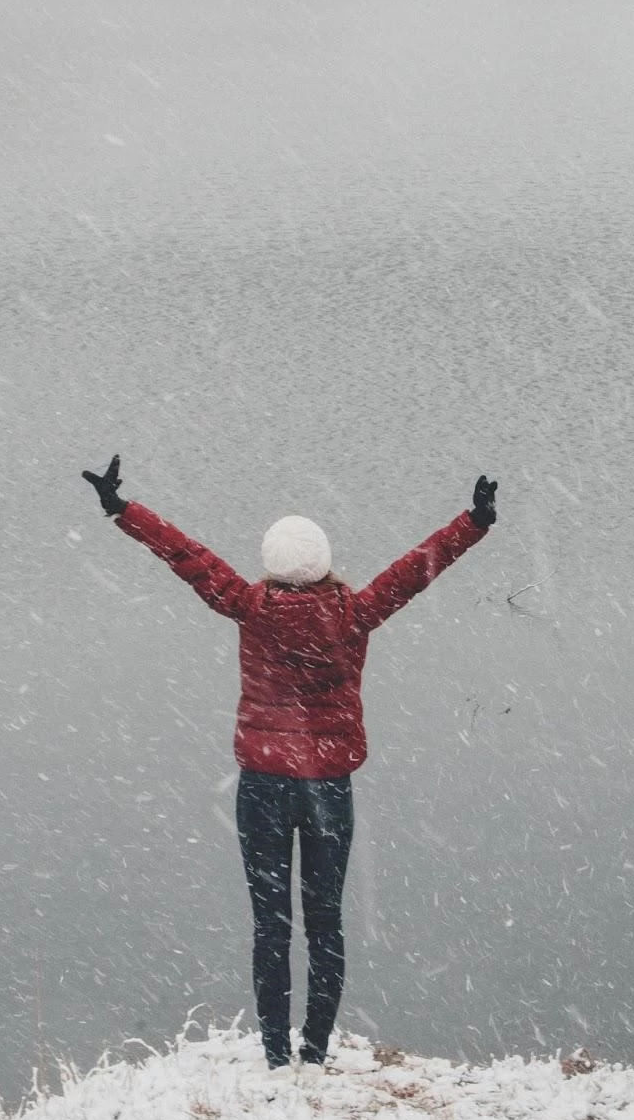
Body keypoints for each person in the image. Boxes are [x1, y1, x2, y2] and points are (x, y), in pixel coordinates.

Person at [80, 455, 497, 1082]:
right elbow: (416, 571)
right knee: (324, 919)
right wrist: (473, 522)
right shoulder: (354, 612)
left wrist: (122, 509)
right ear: (324, 563)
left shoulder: (250, 605)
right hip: (327, 786)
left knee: (270, 923)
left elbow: (189, 558)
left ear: (272, 564)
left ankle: (277, 1055)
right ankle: (316, 1051)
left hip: (263, 786)